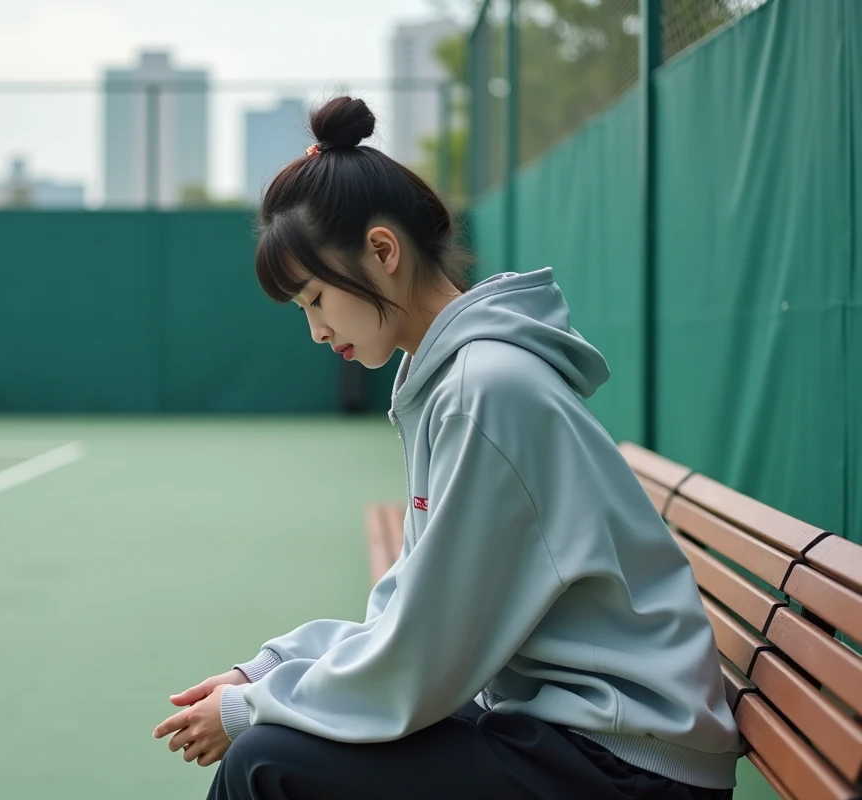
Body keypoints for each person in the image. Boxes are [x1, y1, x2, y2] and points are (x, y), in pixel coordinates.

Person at [152, 96, 742, 799]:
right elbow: (412, 607)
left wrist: (250, 708)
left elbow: (423, 657)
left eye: (315, 299)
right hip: (569, 732)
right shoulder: (451, 381)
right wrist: (267, 671)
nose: (314, 330)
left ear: (382, 251)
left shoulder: (485, 389)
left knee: (266, 760)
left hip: (627, 767)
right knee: (283, 743)